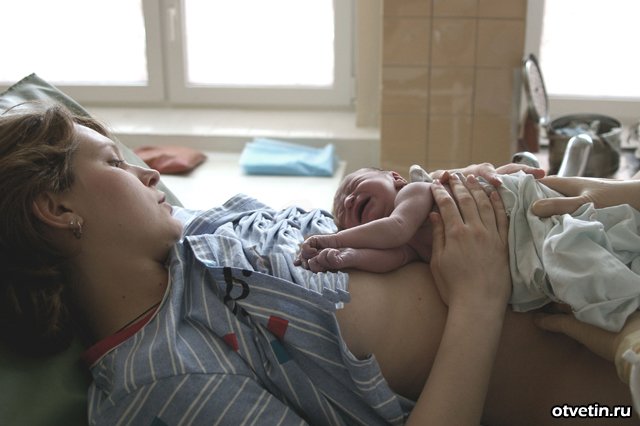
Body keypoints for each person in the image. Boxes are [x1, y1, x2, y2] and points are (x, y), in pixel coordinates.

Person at [0, 103, 636, 426]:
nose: (146, 172)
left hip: (569, 248)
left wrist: (406, 194)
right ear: (56, 208)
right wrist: (478, 295)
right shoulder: (164, 378)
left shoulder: (199, 231)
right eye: (114, 163)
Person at [297, 165, 640, 332]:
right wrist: (345, 257)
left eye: (355, 186)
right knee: (580, 271)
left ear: (394, 177)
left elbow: (396, 229)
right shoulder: (412, 245)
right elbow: (393, 257)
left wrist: (334, 239)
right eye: (343, 214)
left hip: (523, 215)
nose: (349, 200)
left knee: (576, 249)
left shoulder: (416, 192)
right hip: (516, 251)